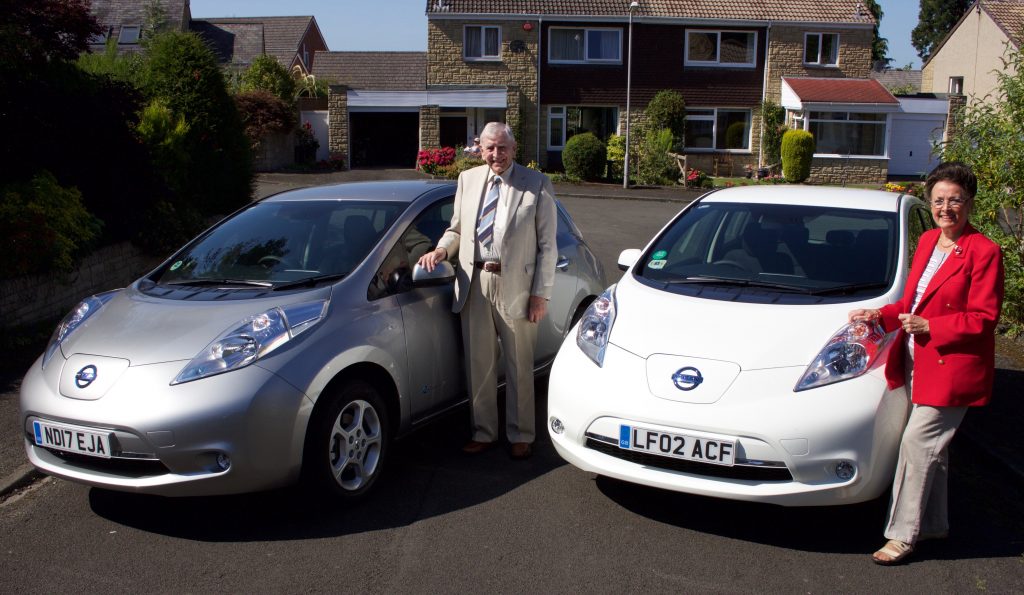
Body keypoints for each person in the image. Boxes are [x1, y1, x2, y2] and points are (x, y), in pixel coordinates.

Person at [848, 161, 1004, 565]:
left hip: (953, 370)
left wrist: (931, 325)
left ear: (969, 202)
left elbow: (984, 318)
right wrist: (879, 316)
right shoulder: (928, 242)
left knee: (917, 444)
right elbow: (910, 305)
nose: (946, 207)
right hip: (916, 362)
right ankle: (933, 524)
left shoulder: (984, 251)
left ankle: (901, 536)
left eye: (955, 200)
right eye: (939, 199)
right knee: (934, 450)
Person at [418, 122, 557, 460]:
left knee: (519, 364)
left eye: (503, 148)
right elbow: (456, 229)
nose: (497, 155)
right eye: (490, 148)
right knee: (479, 363)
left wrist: (541, 294)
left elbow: (547, 246)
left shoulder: (536, 184)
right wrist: (441, 250)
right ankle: (484, 431)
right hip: (474, 281)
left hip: (518, 286)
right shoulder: (468, 180)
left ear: (514, 147)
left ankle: (521, 433)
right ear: (480, 148)